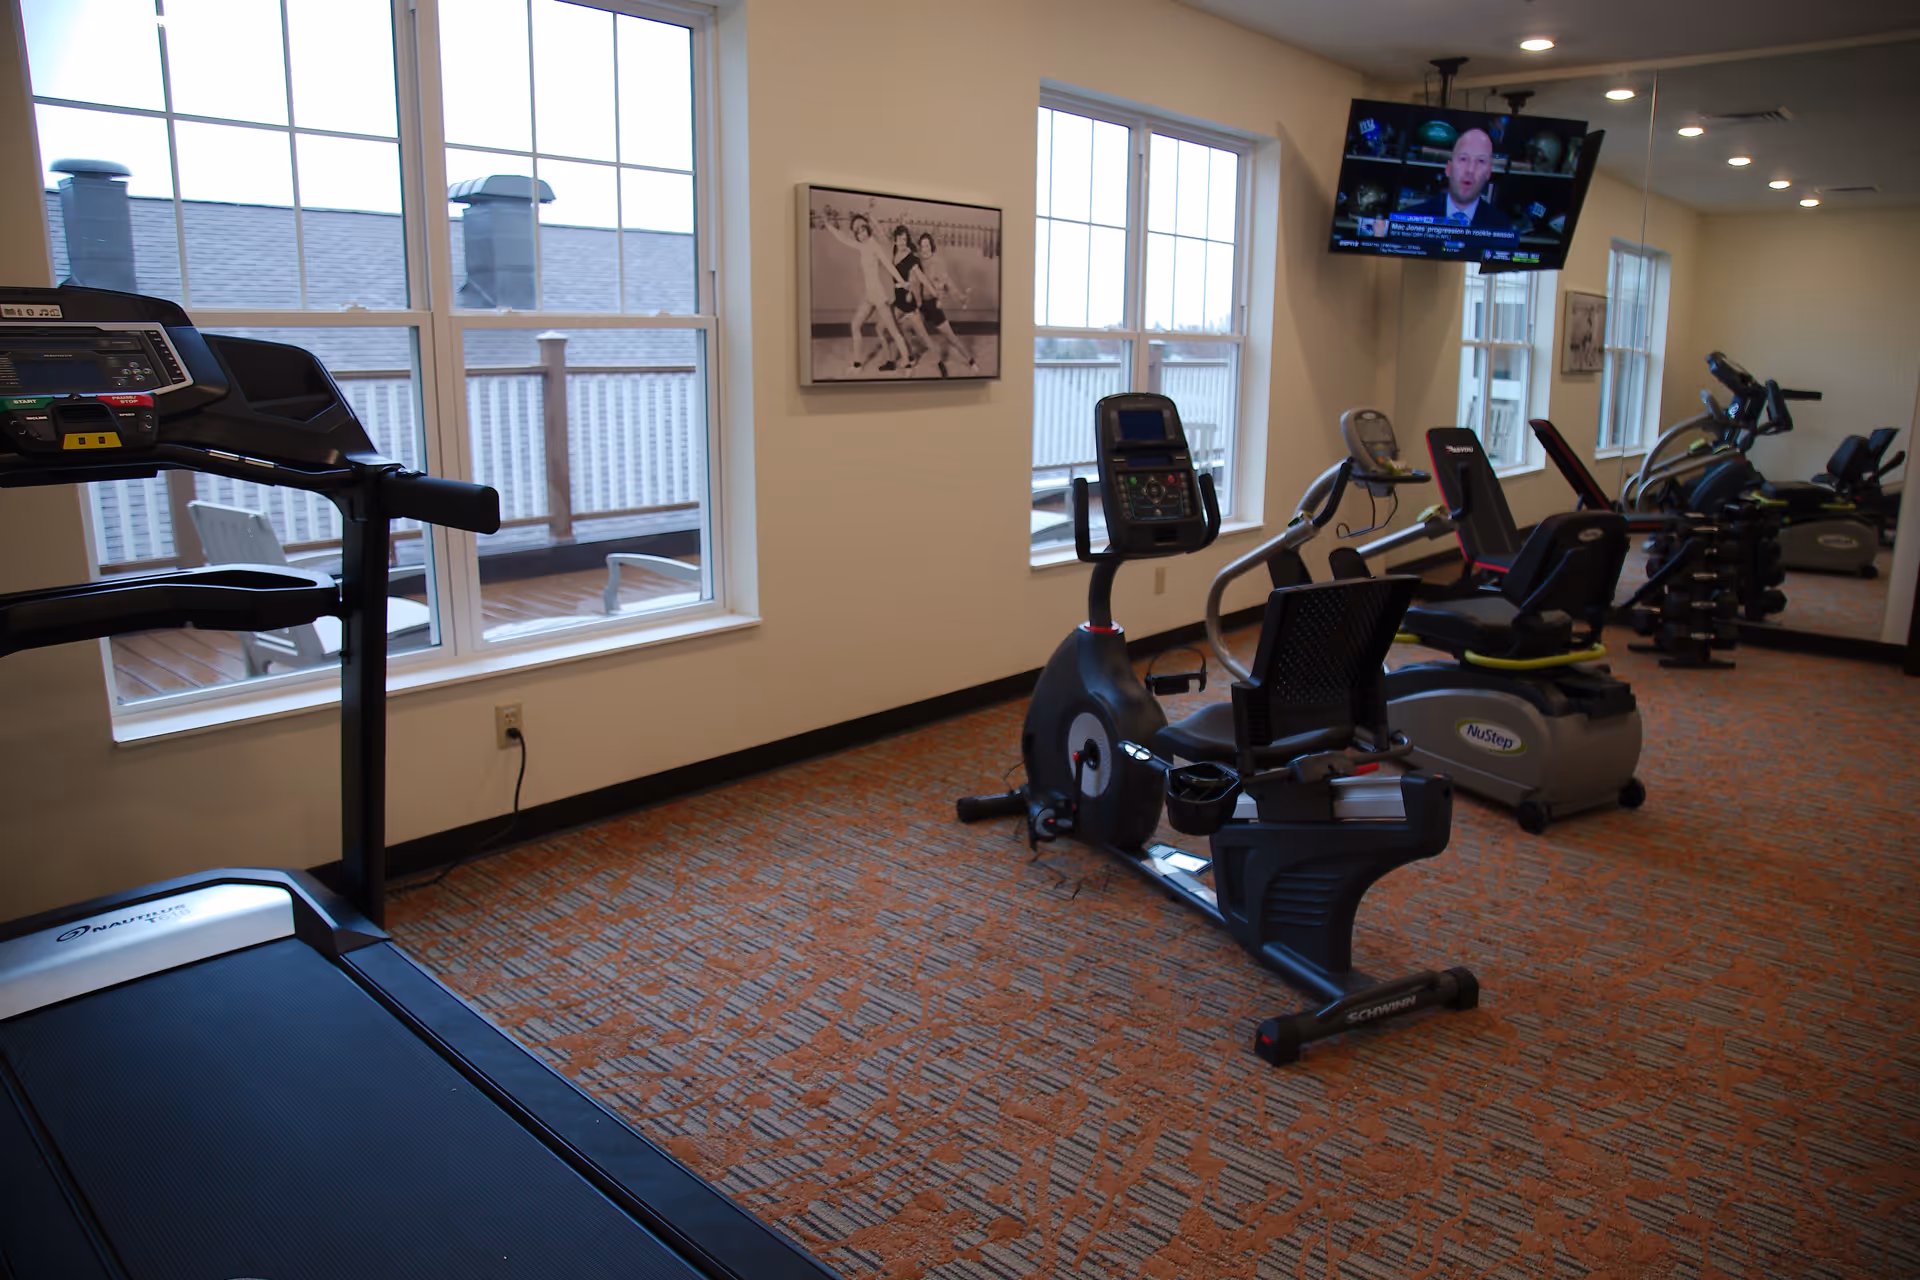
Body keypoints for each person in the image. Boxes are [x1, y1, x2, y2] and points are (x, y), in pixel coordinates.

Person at [820, 209, 911, 375]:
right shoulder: (861, 246)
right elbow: (843, 239)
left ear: (867, 229)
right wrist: (828, 225)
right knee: (855, 325)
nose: (860, 233)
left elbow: (889, 266)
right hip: (869, 296)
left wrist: (902, 281)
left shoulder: (874, 246)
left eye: (862, 229)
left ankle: (907, 362)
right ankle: (857, 364)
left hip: (880, 296)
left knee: (894, 331)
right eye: (857, 231)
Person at [1399, 128, 1515, 233]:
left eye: (1480, 161)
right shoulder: (1412, 217)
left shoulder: (1501, 226)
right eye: (1463, 159)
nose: (1470, 170)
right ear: (1448, 169)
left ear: (1488, 173)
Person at [907, 231, 979, 377]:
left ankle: (971, 361)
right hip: (920, 304)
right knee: (907, 327)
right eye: (922, 246)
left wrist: (960, 297)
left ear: (931, 246)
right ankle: (911, 358)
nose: (925, 248)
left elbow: (948, 283)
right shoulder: (918, 260)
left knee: (950, 337)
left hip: (933, 305)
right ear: (920, 247)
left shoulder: (937, 262)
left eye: (927, 245)